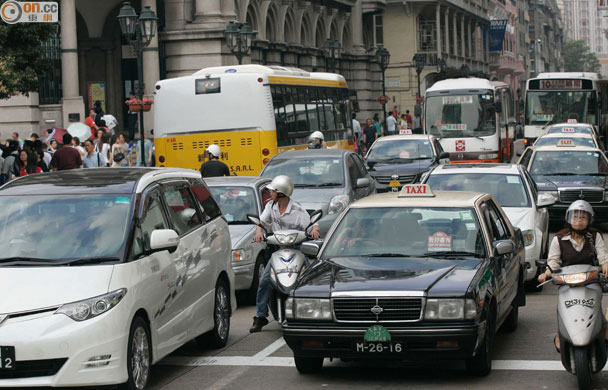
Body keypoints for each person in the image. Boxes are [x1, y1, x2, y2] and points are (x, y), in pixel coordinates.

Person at [249, 175, 321, 333]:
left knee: (309, 279)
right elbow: (261, 223)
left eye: (273, 191)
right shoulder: (271, 206)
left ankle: (313, 311)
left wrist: (314, 231)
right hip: (278, 250)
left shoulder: (298, 210)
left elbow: (312, 226)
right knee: (264, 281)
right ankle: (261, 316)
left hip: (297, 248)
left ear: (281, 193)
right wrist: (259, 233)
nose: (270, 194)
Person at [538, 200, 608, 351]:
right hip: (567, 282)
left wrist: (606, 266)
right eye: (575, 217)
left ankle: (603, 326)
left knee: (596, 299)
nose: (578, 221)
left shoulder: (595, 236)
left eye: (583, 217)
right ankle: (560, 331)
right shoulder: (558, 238)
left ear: (589, 220)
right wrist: (546, 273)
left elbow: (603, 257)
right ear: (568, 218)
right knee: (563, 304)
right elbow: (553, 261)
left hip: (591, 280)